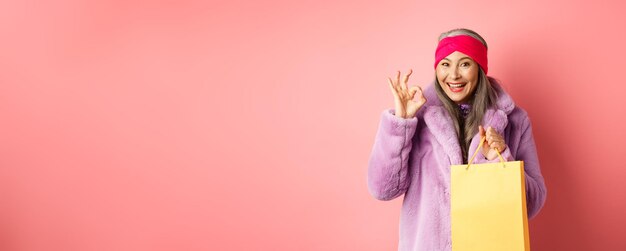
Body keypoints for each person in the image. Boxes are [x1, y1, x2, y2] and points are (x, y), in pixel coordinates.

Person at [367, 28, 547, 251]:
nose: (453, 75)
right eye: (445, 64)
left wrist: (502, 159)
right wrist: (401, 124)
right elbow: (383, 189)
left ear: (479, 68)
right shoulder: (420, 117)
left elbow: (532, 203)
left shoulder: (515, 120)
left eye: (464, 64)